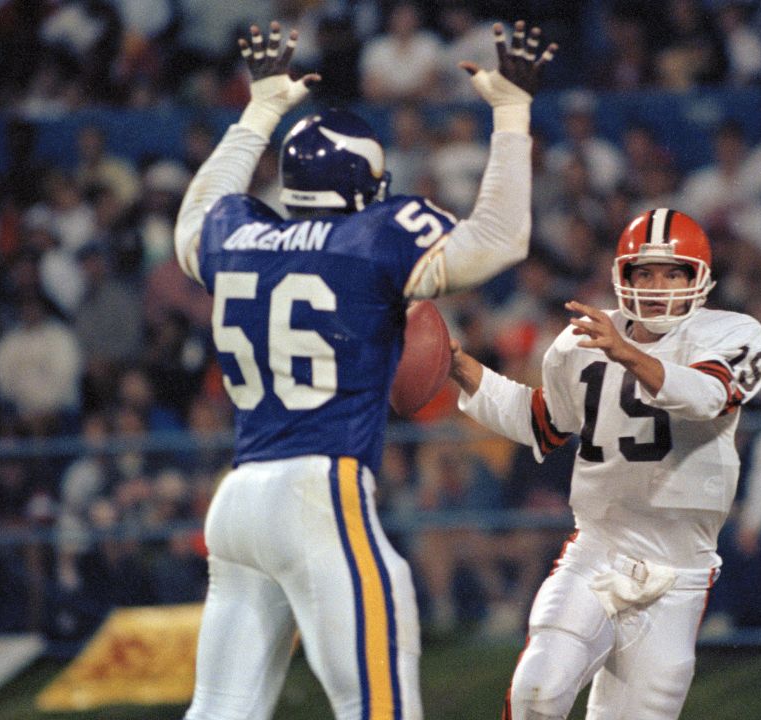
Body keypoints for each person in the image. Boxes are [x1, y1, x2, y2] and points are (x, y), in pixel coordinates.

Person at [173, 18, 557, 720]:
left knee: (220, 710)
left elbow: (194, 214)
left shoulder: (233, 233)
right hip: (319, 492)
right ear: (365, 184)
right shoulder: (374, 235)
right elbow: (501, 240)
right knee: (377, 706)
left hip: (238, 500)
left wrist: (259, 111)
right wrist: (511, 111)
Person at [449, 209, 761, 720]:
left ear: (698, 279)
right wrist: (462, 367)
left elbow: (708, 395)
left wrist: (627, 354)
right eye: (644, 272)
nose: (657, 286)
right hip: (597, 551)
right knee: (538, 691)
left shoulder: (731, 333)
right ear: (624, 277)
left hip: (679, 574)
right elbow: (539, 422)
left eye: (673, 273)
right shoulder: (582, 341)